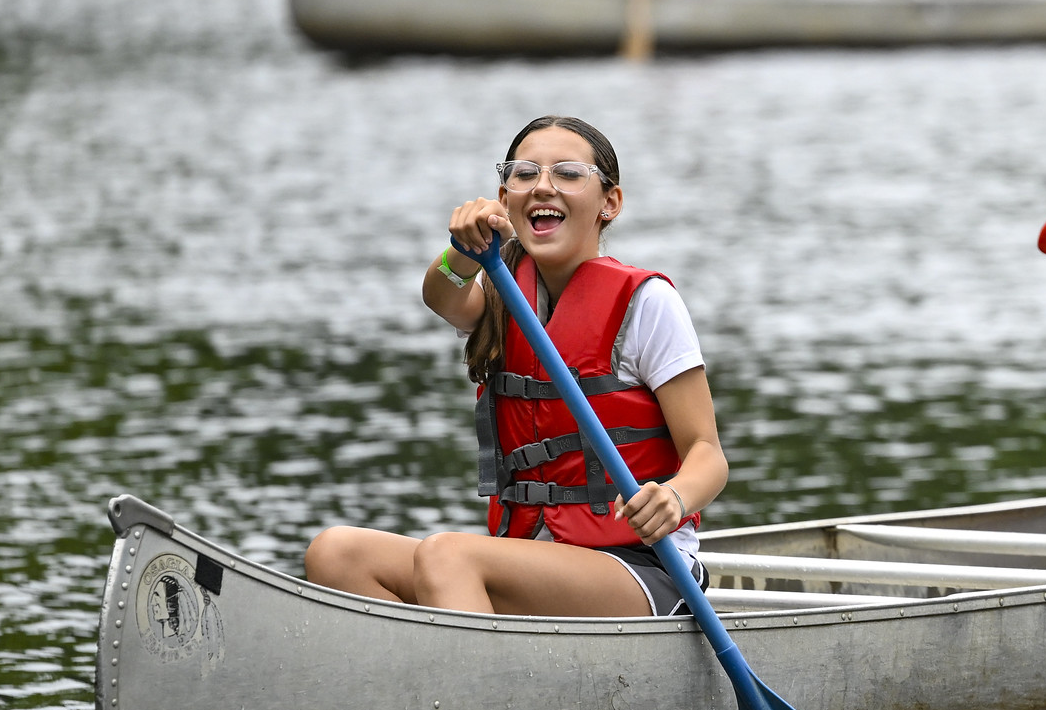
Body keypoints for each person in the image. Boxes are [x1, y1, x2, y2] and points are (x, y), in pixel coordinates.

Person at [304, 115, 728, 617]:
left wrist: (675, 497)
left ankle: (479, 690)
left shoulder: (647, 302)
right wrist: (463, 253)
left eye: (568, 173)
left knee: (449, 555)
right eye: (525, 173)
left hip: (641, 566)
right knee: (335, 553)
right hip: (534, 553)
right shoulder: (500, 290)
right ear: (504, 198)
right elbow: (440, 293)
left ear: (609, 203)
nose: (543, 185)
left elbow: (708, 454)